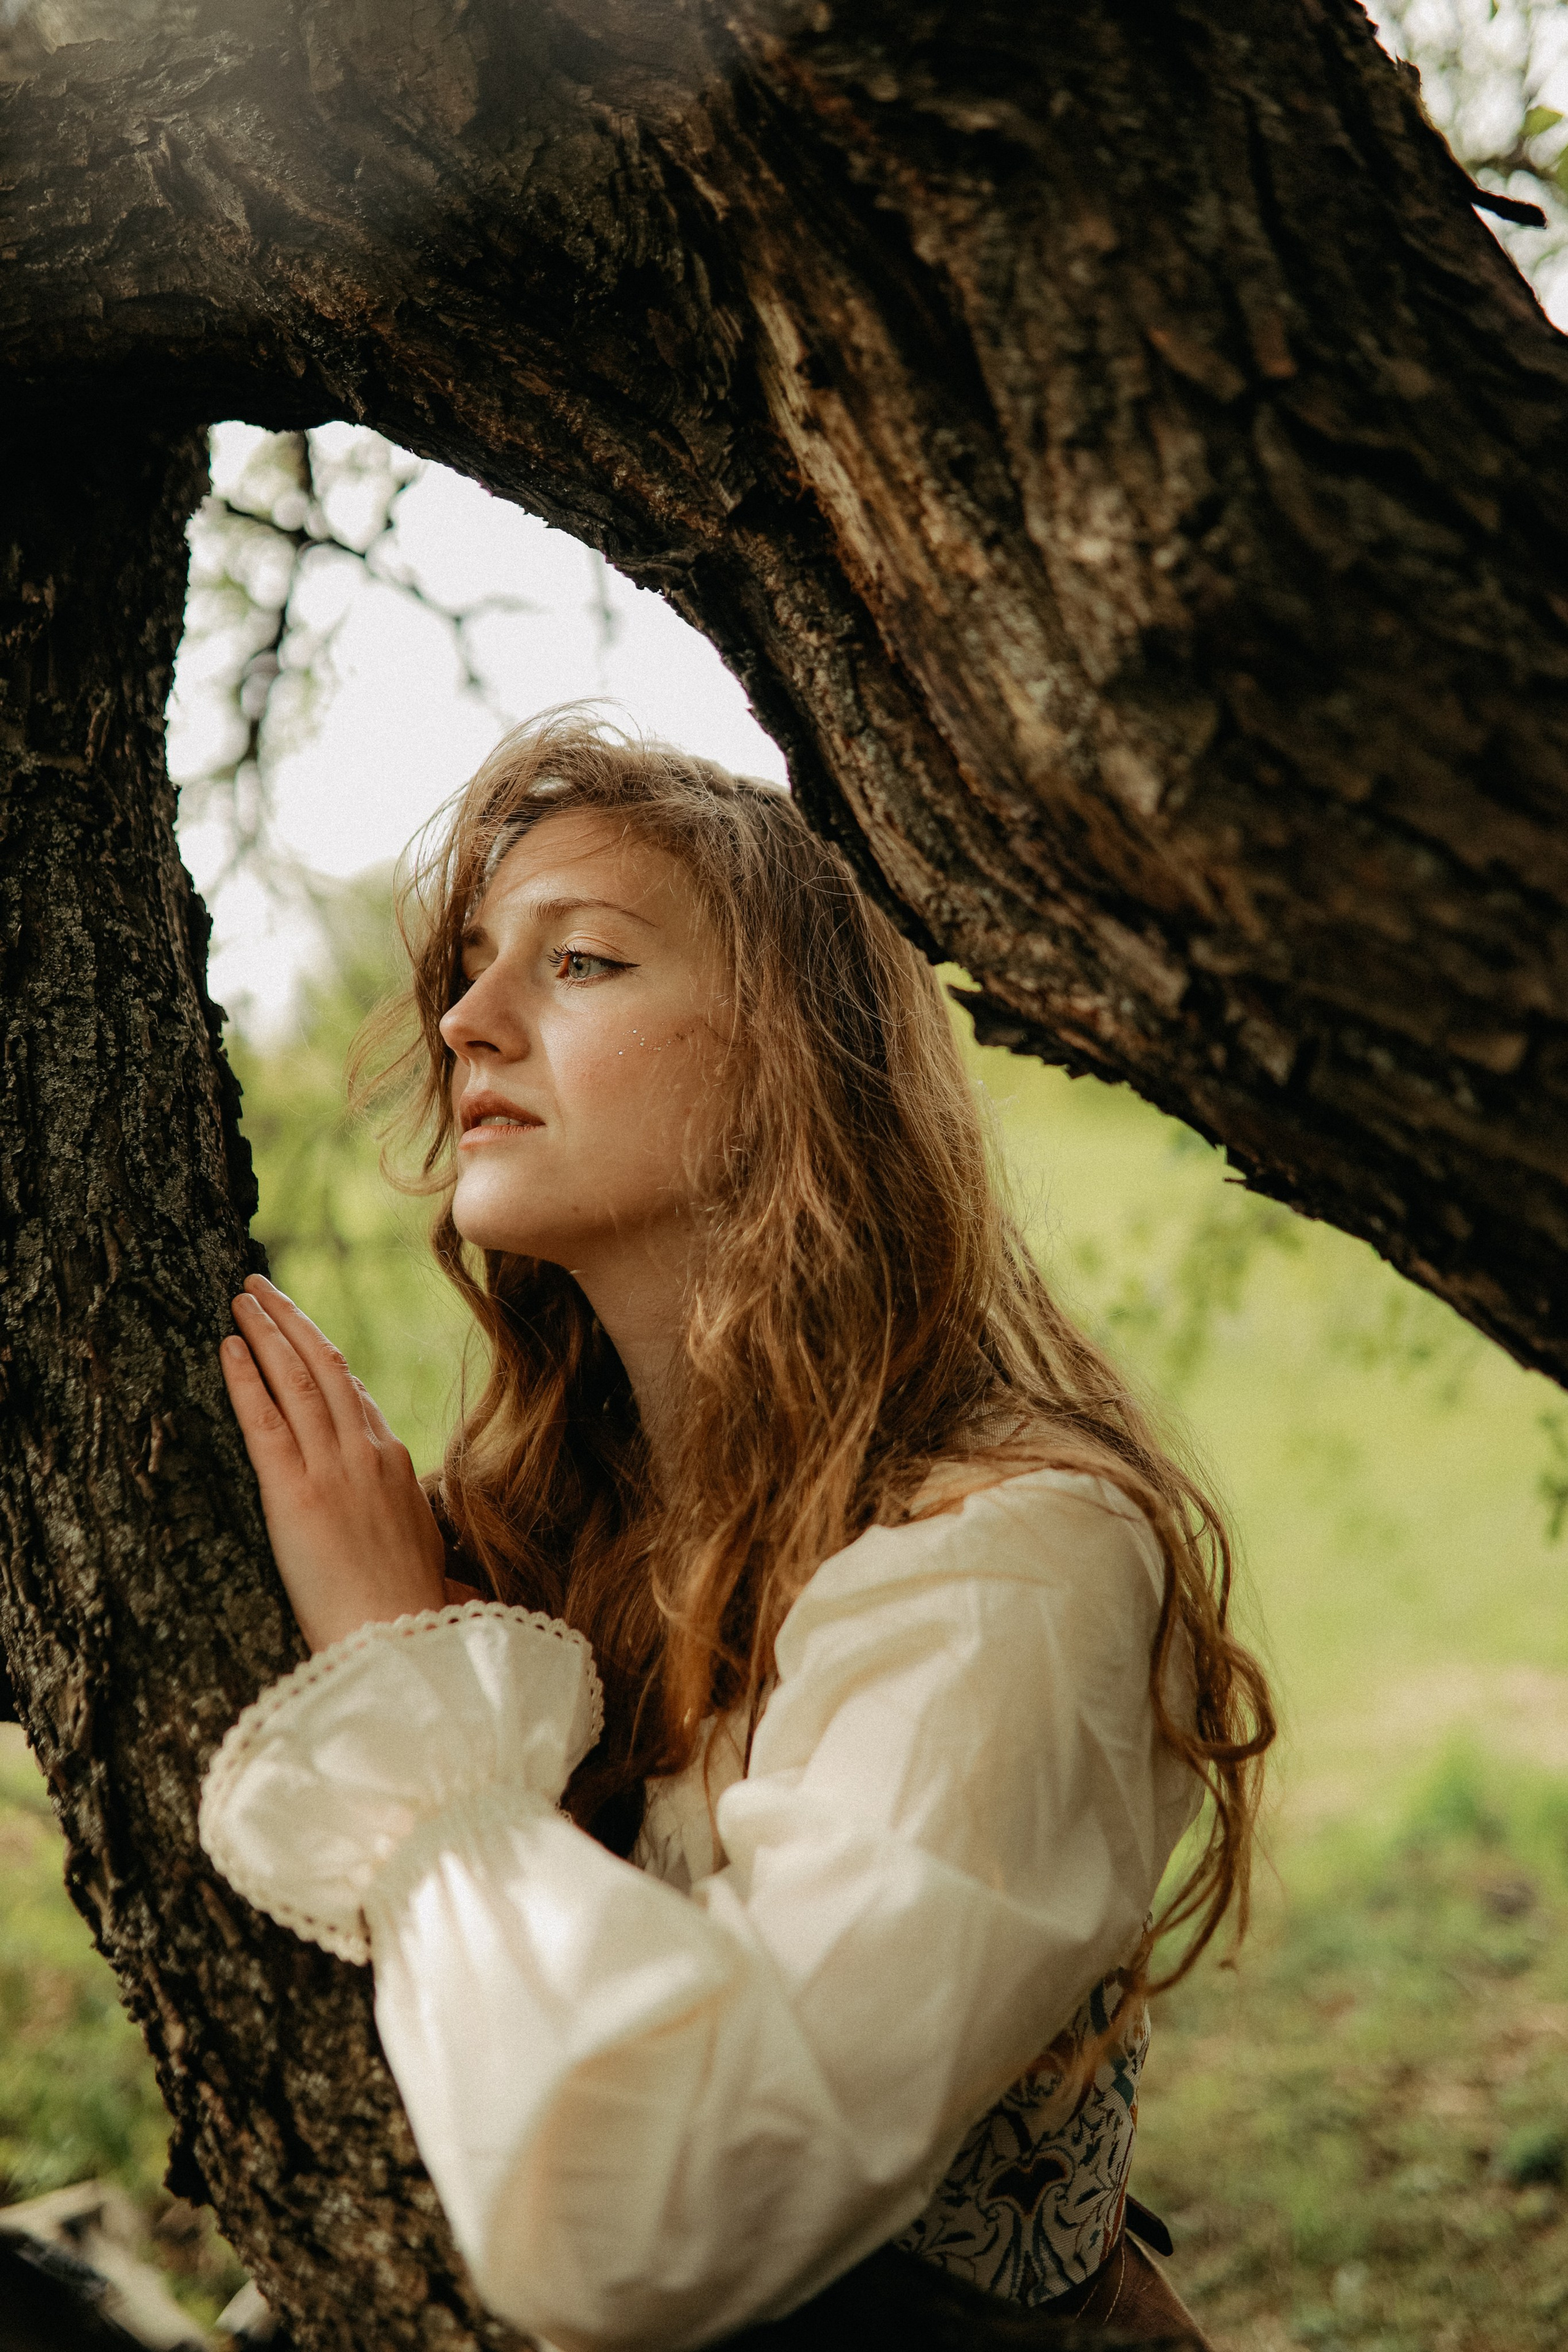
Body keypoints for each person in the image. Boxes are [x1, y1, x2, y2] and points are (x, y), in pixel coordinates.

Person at [197, 715, 1274, 2350]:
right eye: (477, 966)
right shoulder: (555, 1527)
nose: (468, 1023)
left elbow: (650, 2221)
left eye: (581, 965)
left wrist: (392, 1676)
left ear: (793, 1055)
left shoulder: (1010, 1564)